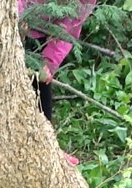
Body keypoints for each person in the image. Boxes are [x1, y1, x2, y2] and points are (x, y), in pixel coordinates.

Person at [19, 0, 97, 164]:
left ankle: (47, 146)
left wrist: (49, 62)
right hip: (17, 17)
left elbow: (70, 26)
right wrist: (17, 16)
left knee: (41, 87)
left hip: (44, 36)